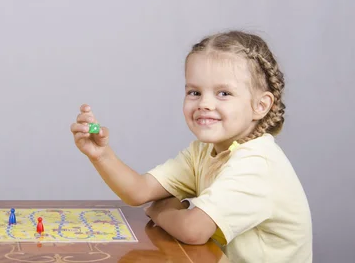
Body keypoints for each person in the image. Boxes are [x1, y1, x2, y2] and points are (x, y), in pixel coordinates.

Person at [70, 31, 312, 263]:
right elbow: (139, 191)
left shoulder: (258, 163)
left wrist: (160, 211)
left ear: (260, 105)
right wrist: (101, 155)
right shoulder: (204, 152)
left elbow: (193, 230)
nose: (205, 103)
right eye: (195, 92)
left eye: (224, 93)